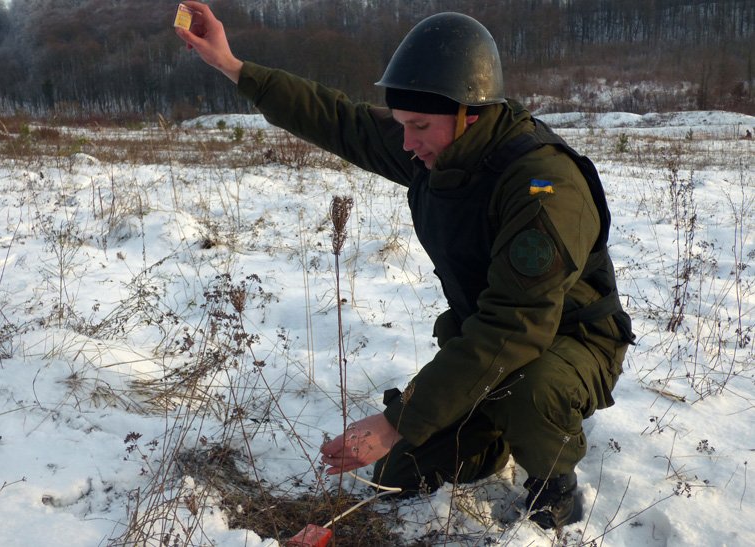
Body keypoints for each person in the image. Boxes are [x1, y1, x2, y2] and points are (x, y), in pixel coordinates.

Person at [175, 3, 634, 529]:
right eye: (401, 126)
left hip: (570, 342)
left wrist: (399, 419)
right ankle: (495, 434)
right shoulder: (441, 147)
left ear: (472, 114)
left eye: (419, 127)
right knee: (402, 473)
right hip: (492, 340)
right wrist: (234, 66)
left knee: (533, 387)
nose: (408, 144)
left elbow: (514, 328)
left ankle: (554, 484)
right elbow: (340, 120)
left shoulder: (542, 189)